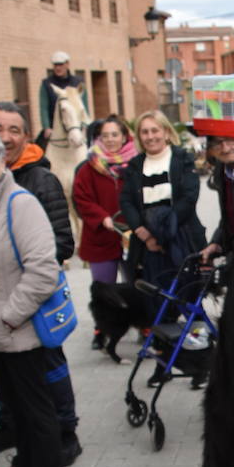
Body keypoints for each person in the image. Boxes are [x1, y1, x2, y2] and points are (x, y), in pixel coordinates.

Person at [0, 103, 81, 467]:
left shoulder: (39, 180)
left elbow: (62, 244)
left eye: (14, 130)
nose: (5, 136)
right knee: (3, 373)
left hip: (34, 302)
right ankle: (11, 427)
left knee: (49, 370)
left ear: (26, 135)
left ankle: (66, 432)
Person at [119, 111, 206, 292]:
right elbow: (126, 201)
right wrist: (143, 232)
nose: (150, 137)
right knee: (153, 300)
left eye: (155, 130)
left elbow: (189, 198)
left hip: (182, 237)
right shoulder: (134, 165)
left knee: (187, 295)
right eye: (145, 132)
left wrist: (163, 234)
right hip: (146, 243)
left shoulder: (183, 159)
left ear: (166, 132)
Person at [73, 117, 138, 345]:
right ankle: (102, 329)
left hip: (131, 235)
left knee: (134, 284)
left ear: (124, 137)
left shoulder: (136, 163)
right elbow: (81, 197)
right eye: (105, 136)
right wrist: (102, 218)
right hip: (101, 235)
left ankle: (141, 325)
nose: (110, 140)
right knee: (103, 288)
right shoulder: (88, 167)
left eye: (114, 135)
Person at [199, 135, 234, 266]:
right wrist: (216, 243)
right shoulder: (221, 172)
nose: (225, 149)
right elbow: (228, 216)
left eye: (230, 140)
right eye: (218, 143)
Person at [37, 51, 87, 149]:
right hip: (54, 127)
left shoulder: (78, 82)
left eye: (60, 64)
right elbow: (43, 107)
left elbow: (84, 105)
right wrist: (46, 127)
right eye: (55, 65)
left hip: (76, 125)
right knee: (38, 150)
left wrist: (84, 124)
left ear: (67, 64)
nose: (58, 68)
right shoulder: (46, 84)